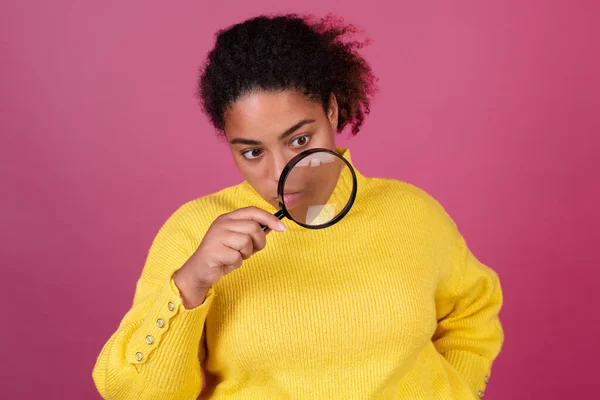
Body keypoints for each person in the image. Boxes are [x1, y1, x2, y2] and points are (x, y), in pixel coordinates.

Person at [92, 14, 503, 400]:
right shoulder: (194, 232)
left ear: (331, 110)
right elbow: (128, 391)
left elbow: (472, 312)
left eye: (300, 140)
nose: (280, 172)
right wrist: (190, 285)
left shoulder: (412, 213)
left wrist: (459, 390)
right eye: (253, 152)